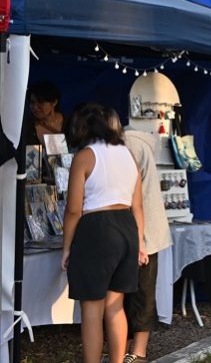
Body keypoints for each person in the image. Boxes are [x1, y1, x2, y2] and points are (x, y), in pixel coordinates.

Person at [62, 104, 147, 363]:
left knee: (91, 310)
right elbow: (138, 206)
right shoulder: (128, 155)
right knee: (115, 306)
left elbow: (73, 210)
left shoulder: (85, 156)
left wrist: (67, 247)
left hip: (96, 230)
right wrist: (140, 243)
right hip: (127, 227)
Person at [122, 130, 173, 363]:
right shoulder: (136, 143)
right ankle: (130, 351)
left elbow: (132, 193)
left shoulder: (128, 145)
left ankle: (137, 352)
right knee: (137, 293)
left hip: (143, 231)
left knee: (140, 294)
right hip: (144, 229)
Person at [26, 80, 67, 146]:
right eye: (32, 102)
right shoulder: (27, 126)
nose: (35, 107)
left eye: (40, 102)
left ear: (54, 102)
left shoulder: (69, 123)